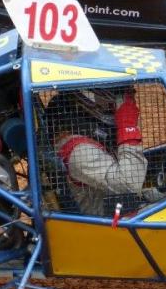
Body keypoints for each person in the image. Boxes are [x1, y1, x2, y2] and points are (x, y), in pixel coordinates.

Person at [48, 89, 147, 217]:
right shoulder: (79, 150)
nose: (126, 104)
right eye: (121, 99)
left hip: (117, 206)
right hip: (106, 222)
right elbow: (130, 185)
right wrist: (127, 126)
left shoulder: (89, 134)